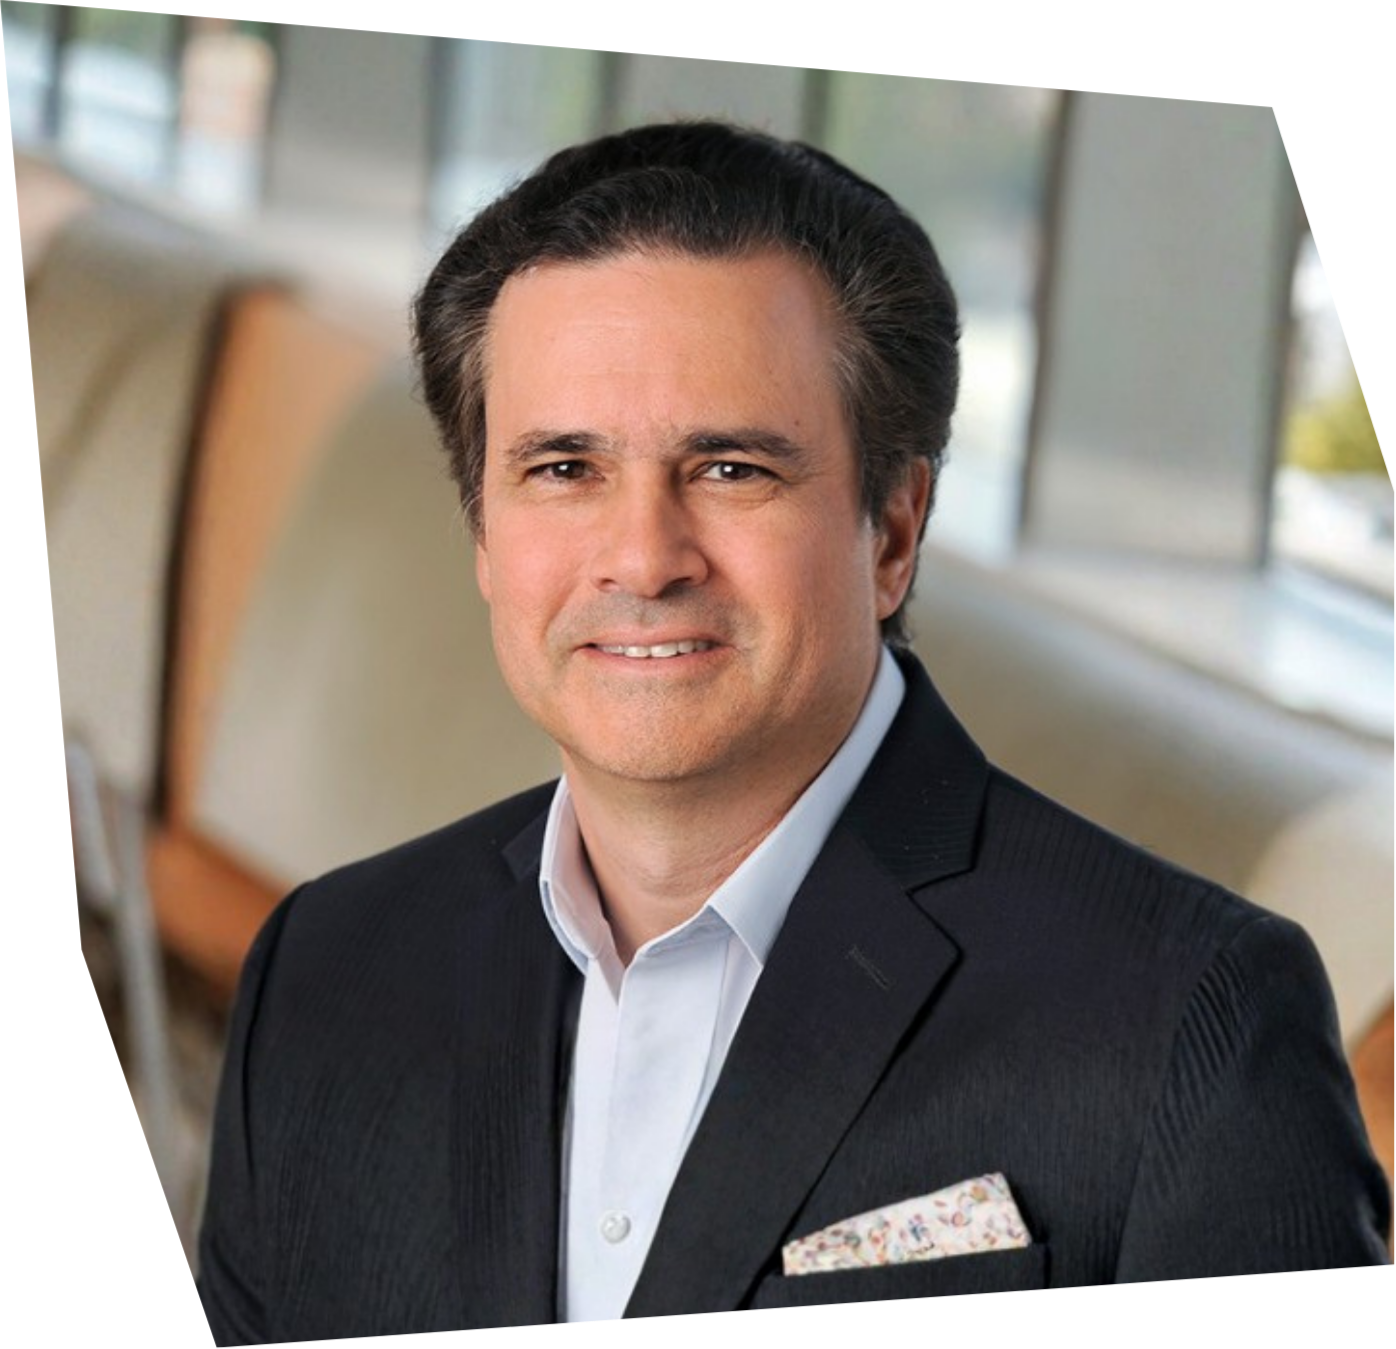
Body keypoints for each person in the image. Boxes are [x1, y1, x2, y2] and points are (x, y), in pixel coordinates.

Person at [197, 121, 1390, 1341]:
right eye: (563, 468)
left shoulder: (1194, 1019)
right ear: (484, 536)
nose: (644, 558)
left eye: (729, 469)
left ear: (892, 530)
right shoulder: (327, 968)